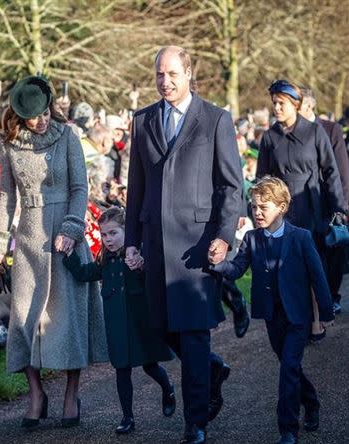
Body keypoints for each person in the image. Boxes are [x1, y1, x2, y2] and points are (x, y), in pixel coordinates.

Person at [125, 46, 242, 444]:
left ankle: (196, 423)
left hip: (197, 248)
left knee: (193, 334)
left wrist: (224, 236)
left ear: (189, 73)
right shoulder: (142, 120)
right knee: (162, 328)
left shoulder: (215, 119)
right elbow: (135, 189)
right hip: (155, 247)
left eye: (172, 74)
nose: (165, 81)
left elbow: (230, 186)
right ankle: (212, 369)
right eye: (159, 74)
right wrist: (131, 242)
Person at [0, 76, 107, 429]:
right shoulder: (9, 144)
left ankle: (71, 395)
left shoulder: (67, 135)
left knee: (68, 319)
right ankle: (36, 393)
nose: (40, 121)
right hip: (28, 240)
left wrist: (72, 230)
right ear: (19, 115)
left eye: (43, 113)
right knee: (24, 319)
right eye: (31, 116)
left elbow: (79, 187)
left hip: (64, 235)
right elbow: (6, 196)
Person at [211, 177, 333, 444]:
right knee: (291, 368)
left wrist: (323, 315)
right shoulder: (252, 239)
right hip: (271, 316)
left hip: (298, 316)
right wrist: (218, 263)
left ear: (282, 207)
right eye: (254, 207)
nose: (257, 212)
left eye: (263, 207)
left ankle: (288, 430)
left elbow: (317, 276)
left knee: (289, 368)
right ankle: (311, 402)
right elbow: (236, 269)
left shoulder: (300, 237)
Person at [63, 206, 175, 434]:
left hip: (140, 322)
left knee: (150, 366)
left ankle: (168, 388)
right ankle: (127, 417)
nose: (108, 239)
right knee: (122, 370)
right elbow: (84, 274)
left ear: (127, 231)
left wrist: (143, 265)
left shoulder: (137, 257)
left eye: (113, 233)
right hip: (116, 326)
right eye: (104, 235)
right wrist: (69, 255)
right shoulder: (105, 262)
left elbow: (152, 278)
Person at [257, 80, 346, 342]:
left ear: (295, 104)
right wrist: (262, 210)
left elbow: (330, 171)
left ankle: (318, 319)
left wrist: (338, 207)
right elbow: (263, 176)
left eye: (280, 103)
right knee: (287, 268)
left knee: (312, 267)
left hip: (312, 208)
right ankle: (295, 321)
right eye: (273, 103)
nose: (276, 108)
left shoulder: (315, 133)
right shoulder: (270, 137)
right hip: (283, 212)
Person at [299, 87, 349, 315]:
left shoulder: (330, 129)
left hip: (329, 202)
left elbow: (341, 170)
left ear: (308, 105)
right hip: (303, 204)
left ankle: (333, 295)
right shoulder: (285, 131)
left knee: (333, 250)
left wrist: (342, 205)